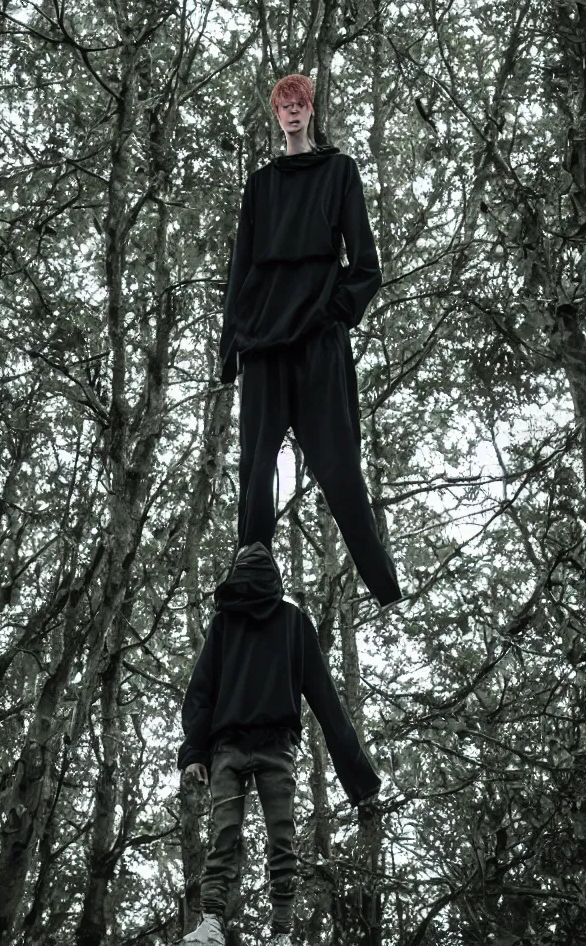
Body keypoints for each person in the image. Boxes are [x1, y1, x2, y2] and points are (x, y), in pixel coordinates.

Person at [218, 73, 401, 606]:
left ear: (311, 110)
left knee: (340, 465)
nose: (292, 112)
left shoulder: (339, 171)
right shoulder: (260, 185)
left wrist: (333, 312)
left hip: (318, 343)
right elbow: (240, 269)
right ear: (276, 115)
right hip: (264, 345)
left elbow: (366, 264)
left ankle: (385, 588)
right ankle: (249, 590)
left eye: (300, 103)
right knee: (255, 474)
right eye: (284, 105)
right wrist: (231, 348)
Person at [178, 542, 381, 945]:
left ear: (234, 575)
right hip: (263, 747)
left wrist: (194, 753)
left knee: (227, 838)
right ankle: (276, 932)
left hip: (233, 747)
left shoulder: (254, 623)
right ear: (276, 577)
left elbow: (199, 693)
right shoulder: (285, 620)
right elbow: (326, 699)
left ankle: (229, 926)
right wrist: (361, 781)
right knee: (279, 840)